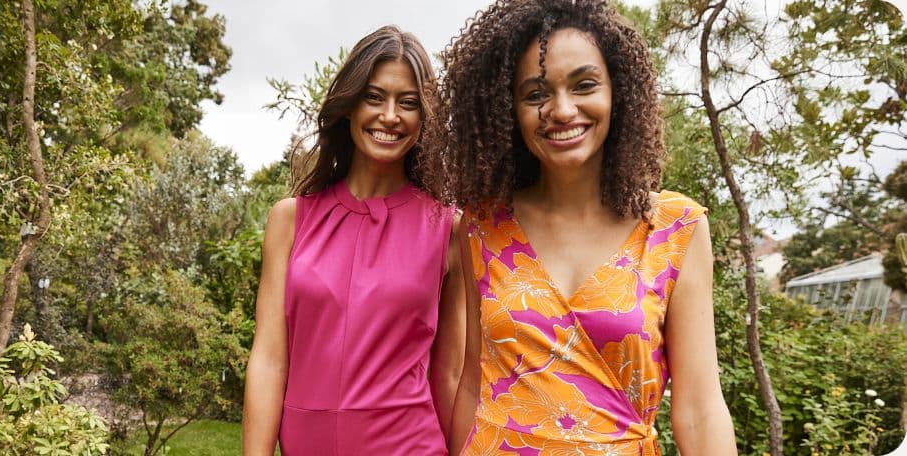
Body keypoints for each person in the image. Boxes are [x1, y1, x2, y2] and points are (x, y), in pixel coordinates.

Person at [419, 0, 738, 454]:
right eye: (535, 94)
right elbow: (475, 383)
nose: (562, 109)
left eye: (584, 85)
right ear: (508, 111)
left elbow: (700, 407)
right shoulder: (481, 224)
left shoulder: (675, 229)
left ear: (618, 92)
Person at [241, 25, 465, 456]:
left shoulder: (449, 230)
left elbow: (449, 373)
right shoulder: (290, 220)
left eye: (409, 103)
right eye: (374, 96)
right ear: (349, 105)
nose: (390, 116)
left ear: (425, 117)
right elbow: (269, 360)